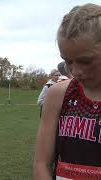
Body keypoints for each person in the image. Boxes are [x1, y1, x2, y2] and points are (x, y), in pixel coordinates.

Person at [34, 3, 101, 179]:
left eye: (86, 61)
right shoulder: (58, 95)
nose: (75, 71)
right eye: (68, 61)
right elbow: (42, 163)